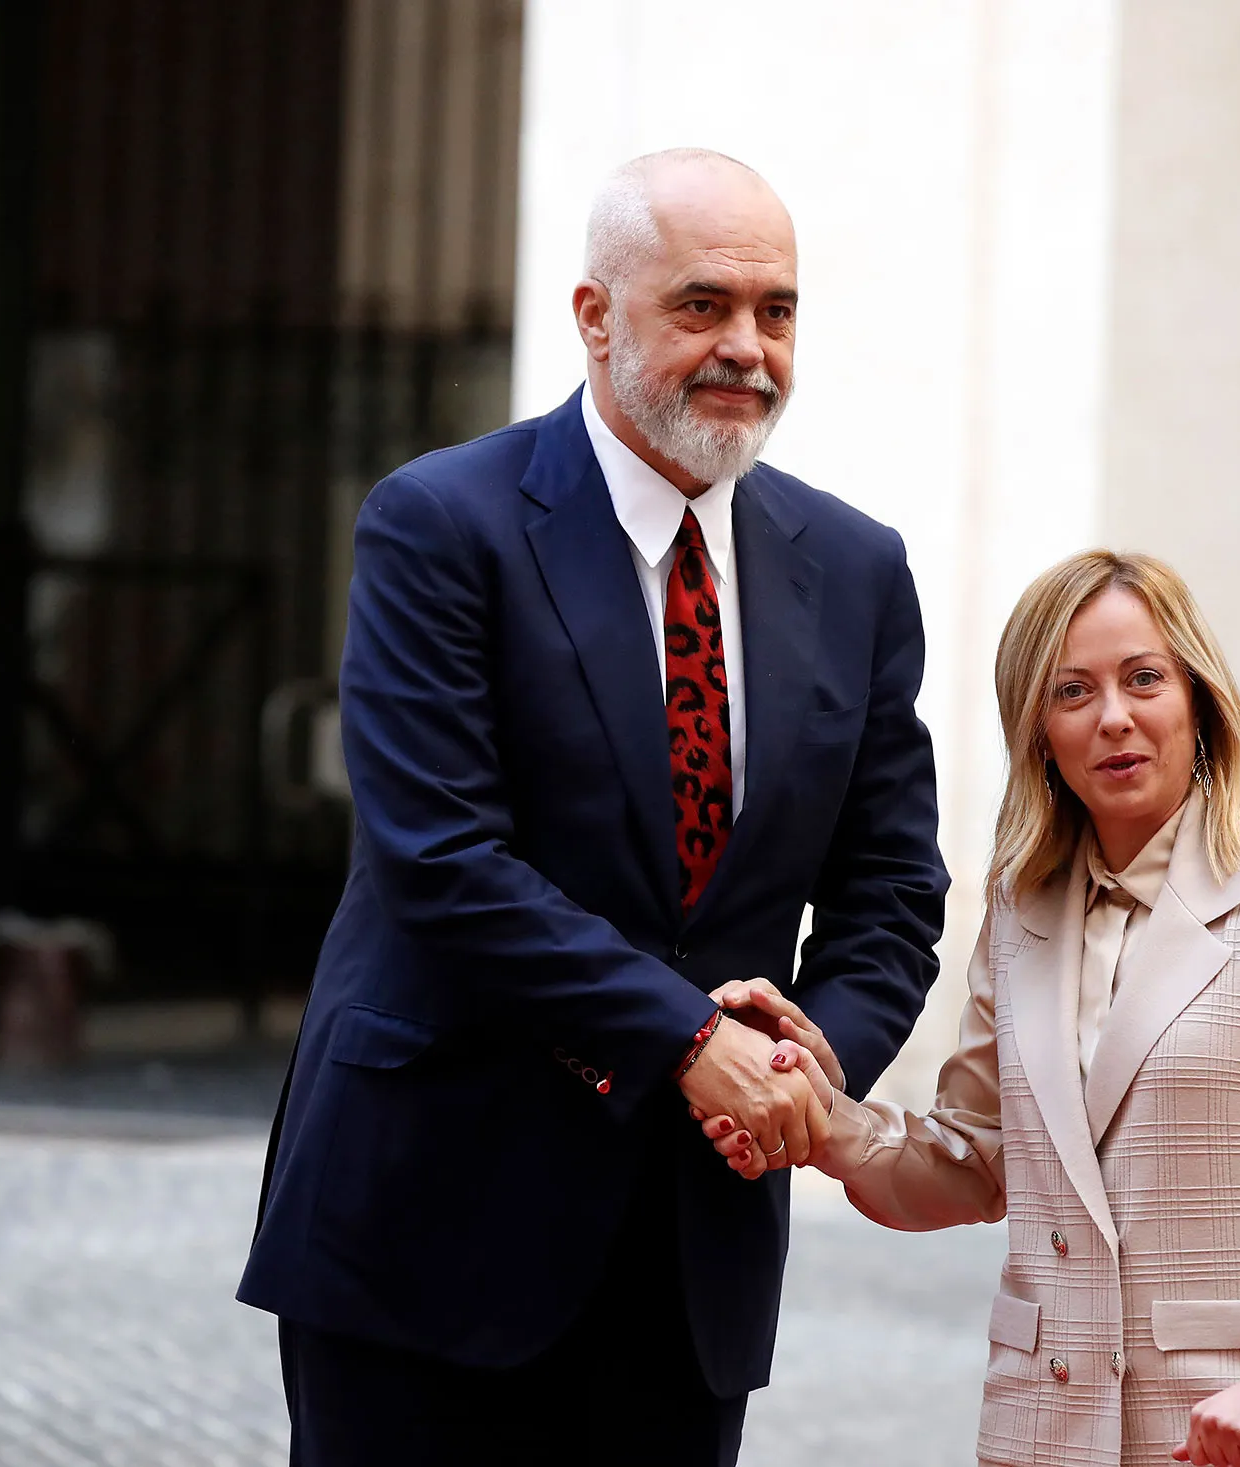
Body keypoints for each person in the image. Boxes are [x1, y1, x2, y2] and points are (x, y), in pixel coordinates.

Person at [238, 148, 949, 1466]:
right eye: (702, 305)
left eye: (776, 311)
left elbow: (892, 888)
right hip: (429, 1219)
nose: (747, 348)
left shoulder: (855, 568)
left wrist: (804, 1068)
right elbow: (440, 859)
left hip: (692, 1252)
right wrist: (690, 1039)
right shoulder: (440, 522)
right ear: (594, 316)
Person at [703, 551, 1240, 1466]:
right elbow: (976, 1161)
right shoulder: (1021, 910)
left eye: (1144, 678)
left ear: (1197, 700)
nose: (1114, 716)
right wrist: (816, 1110)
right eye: (1073, 691)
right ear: (1039, 731)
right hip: (1044, 1433)